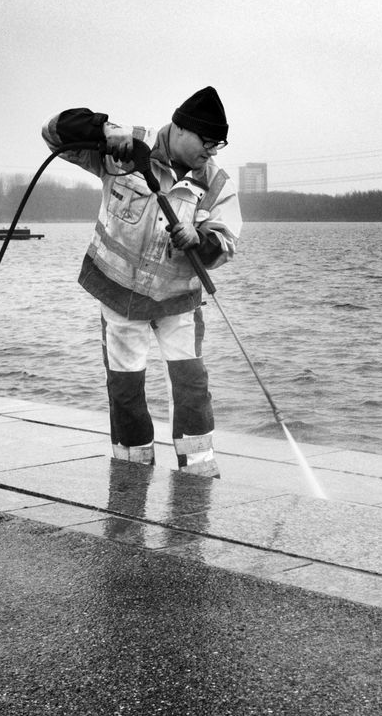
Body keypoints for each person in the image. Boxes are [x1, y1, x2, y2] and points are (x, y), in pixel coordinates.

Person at [41, 86, 241, 477]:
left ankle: (199, 473)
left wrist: (199, 239)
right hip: (119, 294)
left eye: (219, 145)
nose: (213, 152)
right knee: (125, 385)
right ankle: (133, 471)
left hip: (178, 301)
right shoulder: (128, 147)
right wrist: (104, 132)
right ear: (182, 129)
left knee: (191, 384)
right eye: (209, 142)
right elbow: (53, 133)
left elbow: (226, 241)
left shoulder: (217, 184)